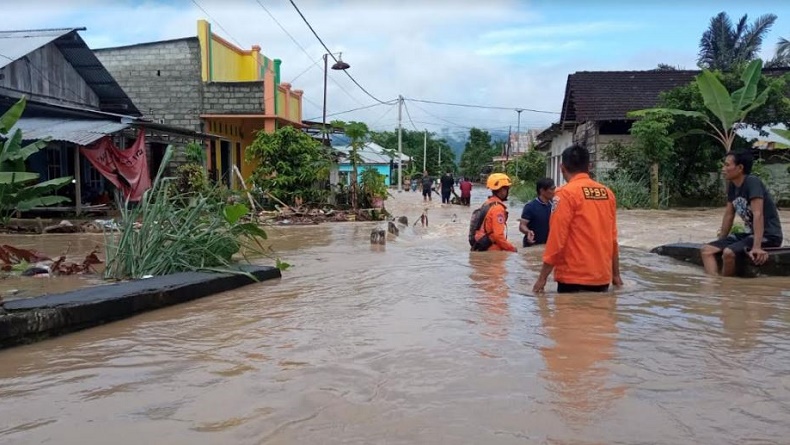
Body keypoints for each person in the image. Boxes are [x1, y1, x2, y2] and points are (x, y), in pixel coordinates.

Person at [532, 144, 622, 293]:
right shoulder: (607, 193)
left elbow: (556, 239)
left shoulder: (564, 194)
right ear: (589, 166)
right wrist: (616, 275)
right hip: (602, 278)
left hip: (573, 278)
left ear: (562, 168)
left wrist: (542, 278)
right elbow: (613, 239)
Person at [700, 150, 783, 276]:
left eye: (727, 165)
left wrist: (756, 247)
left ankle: (726, 287)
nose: (723, 169)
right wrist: (721, 241)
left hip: (769, 235)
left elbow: (758, 214)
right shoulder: (733, 186)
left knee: (728, 253)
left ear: (740, 168)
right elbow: (729, 215)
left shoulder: (752, 182)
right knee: (706, 250)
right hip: (750, 234)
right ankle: (714, 286)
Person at [472, 173, 517, 252]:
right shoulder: (498, 208)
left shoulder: (487, 203)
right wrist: (512, 249)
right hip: (491, 250)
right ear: (502, 190)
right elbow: (498, 236)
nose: (507, 192)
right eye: (507, 189)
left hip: (481, 246)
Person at [519, 178, 556, 247]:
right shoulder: (530, 206)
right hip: (532, 245)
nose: (554, 191)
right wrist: (528, 232)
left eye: (554, 189)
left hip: (548, 245)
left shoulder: (553, 206)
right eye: (552, 189)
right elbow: (522, 226)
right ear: (542, 191)